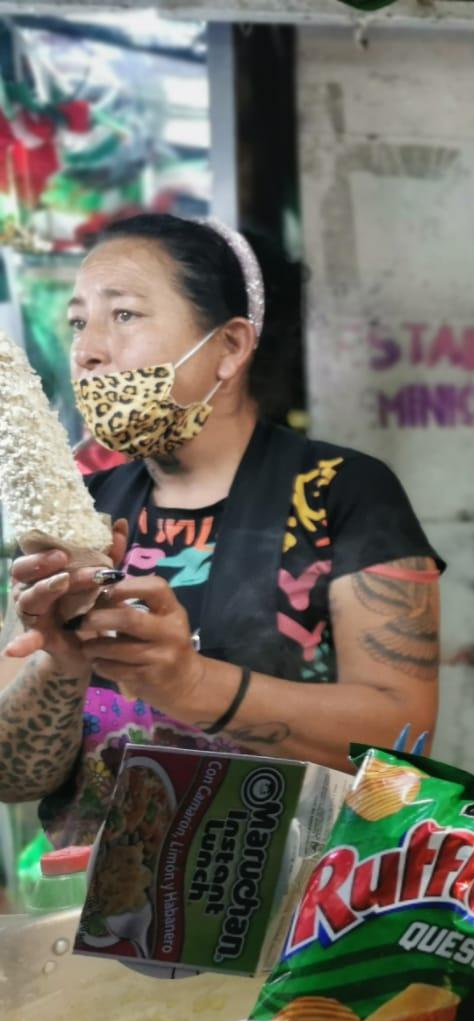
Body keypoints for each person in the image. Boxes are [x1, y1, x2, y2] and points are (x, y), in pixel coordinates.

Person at [0, 213, 443, 846]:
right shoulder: (86, 511)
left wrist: (189, 683)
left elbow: (406, 739)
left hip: (287, 915)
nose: (88, 349)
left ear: (231, 347)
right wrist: (60, 666)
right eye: (78, 321)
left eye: (123, 314)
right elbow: (12, 777)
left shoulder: (344, 494)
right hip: (88, 926)